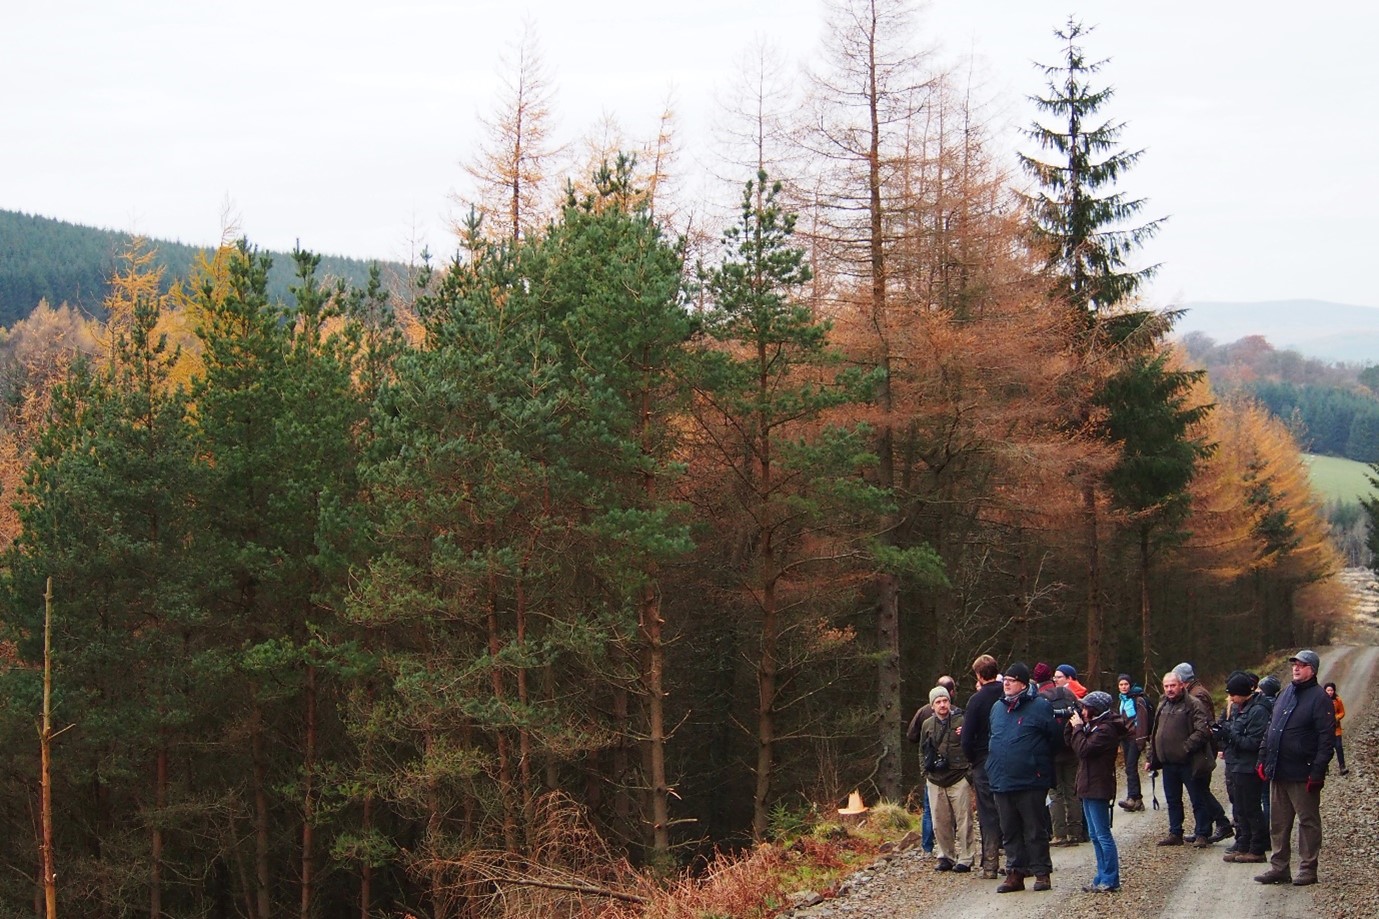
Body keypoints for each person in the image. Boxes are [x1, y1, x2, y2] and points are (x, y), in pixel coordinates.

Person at [1254, 649, 1334, 887]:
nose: (1296, 668)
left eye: (1302, 665)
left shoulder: (1320, 699)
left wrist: (1317, 772)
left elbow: (1326, 740)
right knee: (1278, 823)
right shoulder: (1285, 692)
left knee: (1308, 822)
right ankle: (1279, 867)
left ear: (1313, 669)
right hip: (1278, 770)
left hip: (1303, 773)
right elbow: (1271, 728)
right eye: (1294, 665)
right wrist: (1262, 758)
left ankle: (1309, 868)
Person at [987, 662, 1062, 893]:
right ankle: (1015, 874)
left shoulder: (1040, 706)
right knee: (1009, 830)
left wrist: (1035, 761)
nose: (1006, 684)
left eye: (1011, 680)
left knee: (1034, 829)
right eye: (1005, 680)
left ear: (1022, 683)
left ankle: (1041, 873)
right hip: (1001, 779)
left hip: (1031, 779)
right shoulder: (997, 708)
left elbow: (1055, 739)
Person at [1145, 670, 1214, 847]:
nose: (1169, 689)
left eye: (1173, 685)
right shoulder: (1162, 703)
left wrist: (1185, 747)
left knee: (1197, 799)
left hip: (1190, 762)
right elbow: (1155, 732)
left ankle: (1202, 833)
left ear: (1181, 685)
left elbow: (1203, 731)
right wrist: (1151, 756)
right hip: (1168, 763)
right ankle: (1175, 832)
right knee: (1172, 800)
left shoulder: (1194, 704)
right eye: (1166, 686)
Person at [1067, 691, 1127, 892]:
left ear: (1095, 710)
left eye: (1085, 707)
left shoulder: (1105, 730)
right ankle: (1102, 875)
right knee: (1094, 834)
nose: (1082, 711)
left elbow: (1084, 749)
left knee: (1103, 834)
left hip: (1098, 785)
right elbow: (1072, 744)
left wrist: (1078, 728)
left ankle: (1110, 878)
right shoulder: (1092, 726)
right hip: (1088, 784)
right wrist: (1072, 726)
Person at [1173, 662, 1232, 845]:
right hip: (1200, 748)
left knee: (1200, 790)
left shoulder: (1197, 695)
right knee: (1198, 790)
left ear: (1182, 679)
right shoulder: (1195, 691)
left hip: (1202, 749)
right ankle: (1203, 829)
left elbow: (1203, 723)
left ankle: (1222, 823)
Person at [920, 686, 975, 872]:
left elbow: (971, 746)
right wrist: (925, 773)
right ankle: (945, 856)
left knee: (964, 820)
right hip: (935, 780)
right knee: (939, 821)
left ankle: (966, 858)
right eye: (938, 702)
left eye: (945, 701)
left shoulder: (962, 720)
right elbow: (921, 750)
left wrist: (969, 775)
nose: (942, 705)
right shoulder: (927, 724)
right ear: (932, 705)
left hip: (959, 777)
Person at [961, 654, 1005, 880]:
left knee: (988, 812)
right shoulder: (1008, 693)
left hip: (983, 760)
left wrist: (973, 760)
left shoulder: (976, 701)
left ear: (978, 675)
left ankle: (990, 864)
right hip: (1008, 757)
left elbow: (966, 738)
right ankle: (1017, 861)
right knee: (1010, 808)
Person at [1219, 671, 1270, 864]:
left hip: (1250, 767)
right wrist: (1222, 734)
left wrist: (1230, 735)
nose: (1231, 698)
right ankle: (1243, 844)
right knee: (1240, 808)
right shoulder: (1243, 708)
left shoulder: (1258, 711)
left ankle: (1257, 848)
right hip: (1238, 764)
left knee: (1251, 808)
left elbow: (1253, 743)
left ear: (1241, 693)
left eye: (1233, 694)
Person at [907, 674, 959, 854]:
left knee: (930, 810)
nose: (943, 704)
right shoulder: (957, 713)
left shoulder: (922, 711)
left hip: (936, 769)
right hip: (949, 771)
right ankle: (947, 845)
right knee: (951, 811)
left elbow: (911, 736)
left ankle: (927, 846)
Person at [1037, 663, 1084, 846]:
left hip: (1051, 752)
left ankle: (1060, 834)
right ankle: (1076, 832)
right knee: (1072, 790)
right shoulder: (1067, 693)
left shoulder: (1039, 699)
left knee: (1055, 793)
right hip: (1071, 747)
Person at [1115, 675, 1150, 812]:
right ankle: (1137, 800)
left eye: (1126, 684)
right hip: (1125, 738)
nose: (1124, 687)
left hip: (1135, 738)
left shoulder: (1137, 700)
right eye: (1121, 684)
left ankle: (1132, 797)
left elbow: (1142, 721)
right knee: (1130, 768)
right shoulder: (1122, 701)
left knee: (1130, 767)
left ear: (1130, 685)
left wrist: (1141, 740)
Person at [1324, 682, 1347, 776]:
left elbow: (1342, 712)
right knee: (1325, 749)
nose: (1330, 692)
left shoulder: (1337, 700)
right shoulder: (1321, 700)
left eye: (1331, 690)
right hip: (1325, 729)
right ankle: (1325, 768)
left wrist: (1337, 717)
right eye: (1328, 690)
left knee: (1338, 747)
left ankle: (1342, 767)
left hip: (1336, 729)